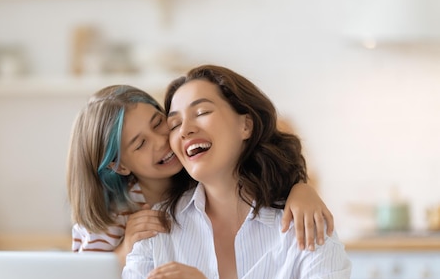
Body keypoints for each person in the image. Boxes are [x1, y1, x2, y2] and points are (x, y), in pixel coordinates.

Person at [122, 65, 357, 279]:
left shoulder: (302, 221)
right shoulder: (158, 229)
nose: (186, 129)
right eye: (175, 123)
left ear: (245, 125)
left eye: (202, 112)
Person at [66, 85, 334, 265]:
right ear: (119, 166)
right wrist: (124, 251)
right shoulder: (109, 216)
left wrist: (301, 189)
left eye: (159, 123)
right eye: (140, 144)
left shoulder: (202, 177)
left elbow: (263, 172)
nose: (161, 141)